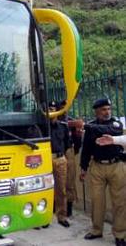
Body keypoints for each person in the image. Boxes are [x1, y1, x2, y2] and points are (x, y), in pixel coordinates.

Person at [79, 98, 125, 246]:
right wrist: (83, 168)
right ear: (97, 111)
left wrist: (86, 126)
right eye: (104, 109)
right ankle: (96, 230)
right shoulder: (91, 126)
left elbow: (112, 131)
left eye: (109, 109)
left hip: (116, 166)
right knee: (97, 201)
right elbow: (86, 149)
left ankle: (120, 235)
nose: (107, 112)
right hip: (97, 167)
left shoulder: (116, 123)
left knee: (120, 202)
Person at [49, 101, 71, 228]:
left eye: (53, 109)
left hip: (60, 159)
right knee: (45, 189)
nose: (51, 111)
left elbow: (67, 144)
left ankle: (62, 216)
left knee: (61, 189)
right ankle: (45, 217)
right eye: (48, 109)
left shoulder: (63, 126)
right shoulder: (41, 127)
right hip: (46, 159)